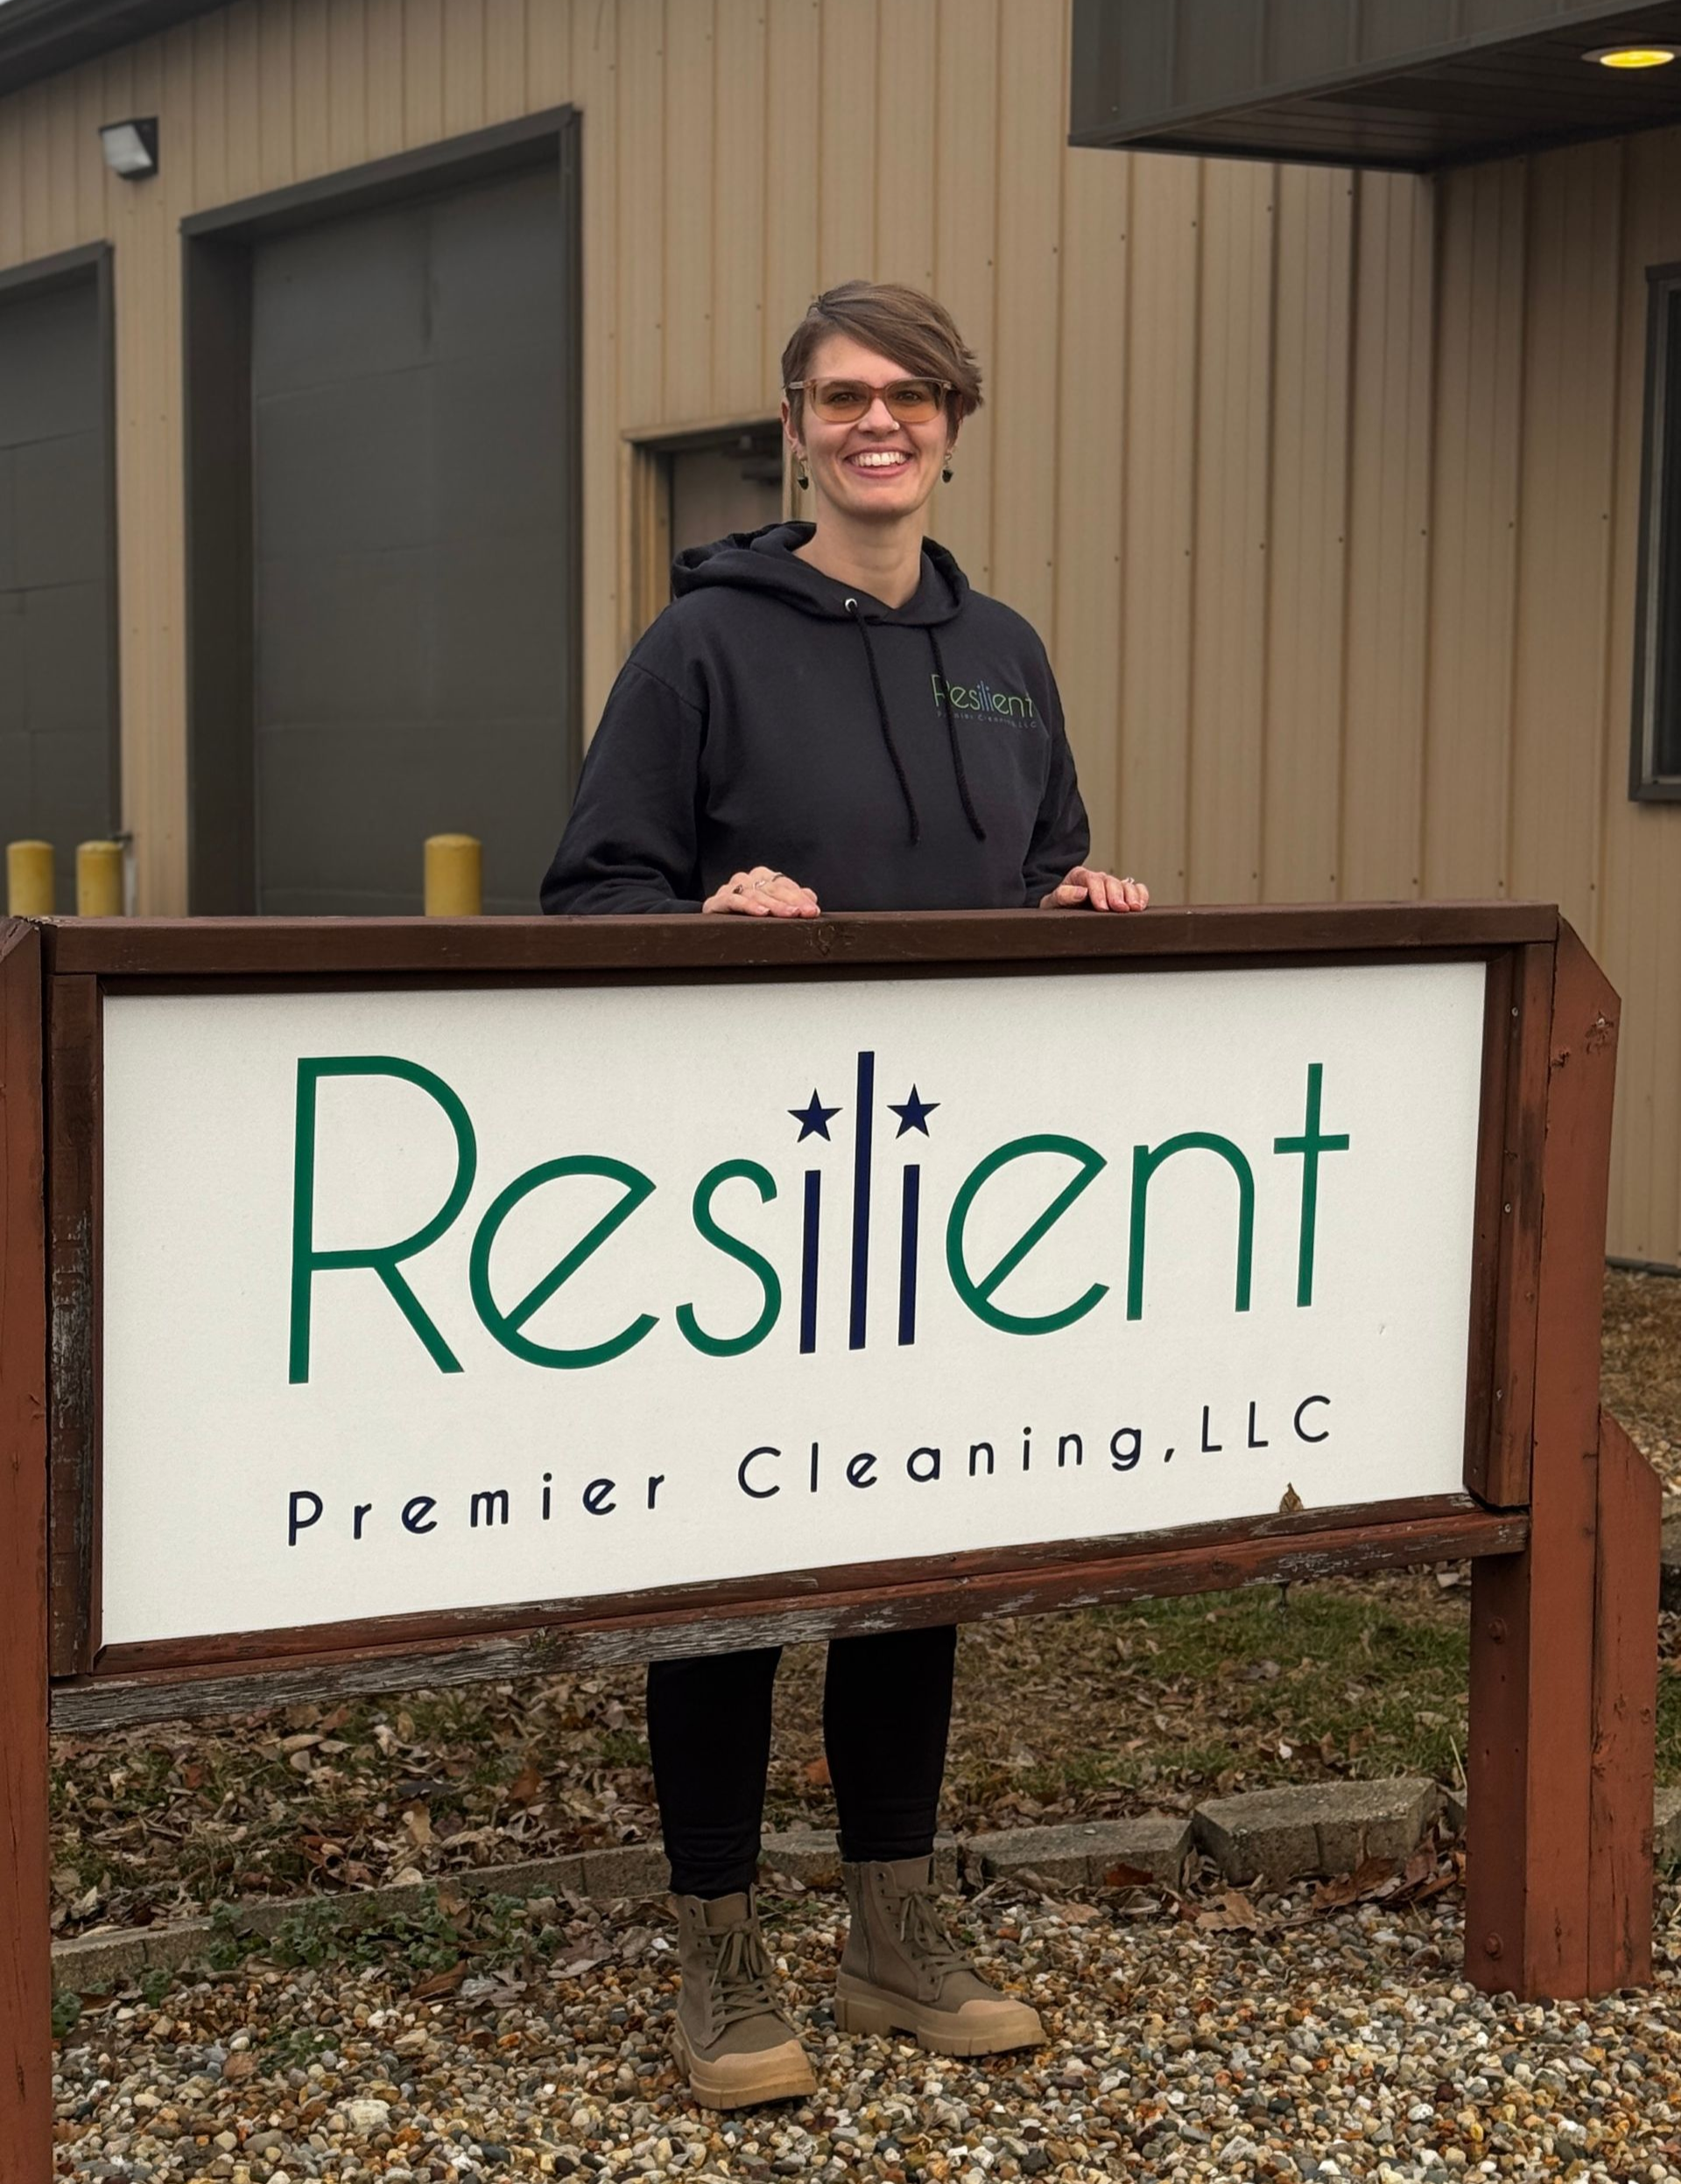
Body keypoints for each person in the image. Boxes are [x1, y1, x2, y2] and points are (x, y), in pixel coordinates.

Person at [541, 280, 1150, 2110]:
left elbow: (1037, 860)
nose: (876, 422)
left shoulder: (1006, 647)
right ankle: (718, 1946)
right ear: (793, 426)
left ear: (956, 418)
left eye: (910, 394)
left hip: (945, 1203)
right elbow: (593, 893)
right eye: (839, 396)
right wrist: (702, 917)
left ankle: (893, 1923)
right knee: (730, 1567)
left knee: (912, 1562)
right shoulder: (701, 647)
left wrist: (1077, 906)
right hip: (746, 1200)